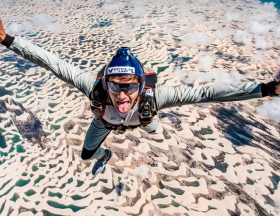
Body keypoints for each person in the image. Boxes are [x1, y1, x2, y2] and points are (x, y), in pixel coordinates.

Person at [1, 16, 280, 175]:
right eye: (115, 86)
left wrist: (265, 89)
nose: (122, 96)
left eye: (130, 86)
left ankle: (143, 126)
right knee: (87, 157)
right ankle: (106, 154)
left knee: (152, 128)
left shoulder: (153, 98)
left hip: (141, 120)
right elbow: (53, 63)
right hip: (106, 124)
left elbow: (206, 92)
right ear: (105, 82)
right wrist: (7, 39)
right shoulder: (96, 89)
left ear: (141, 84)